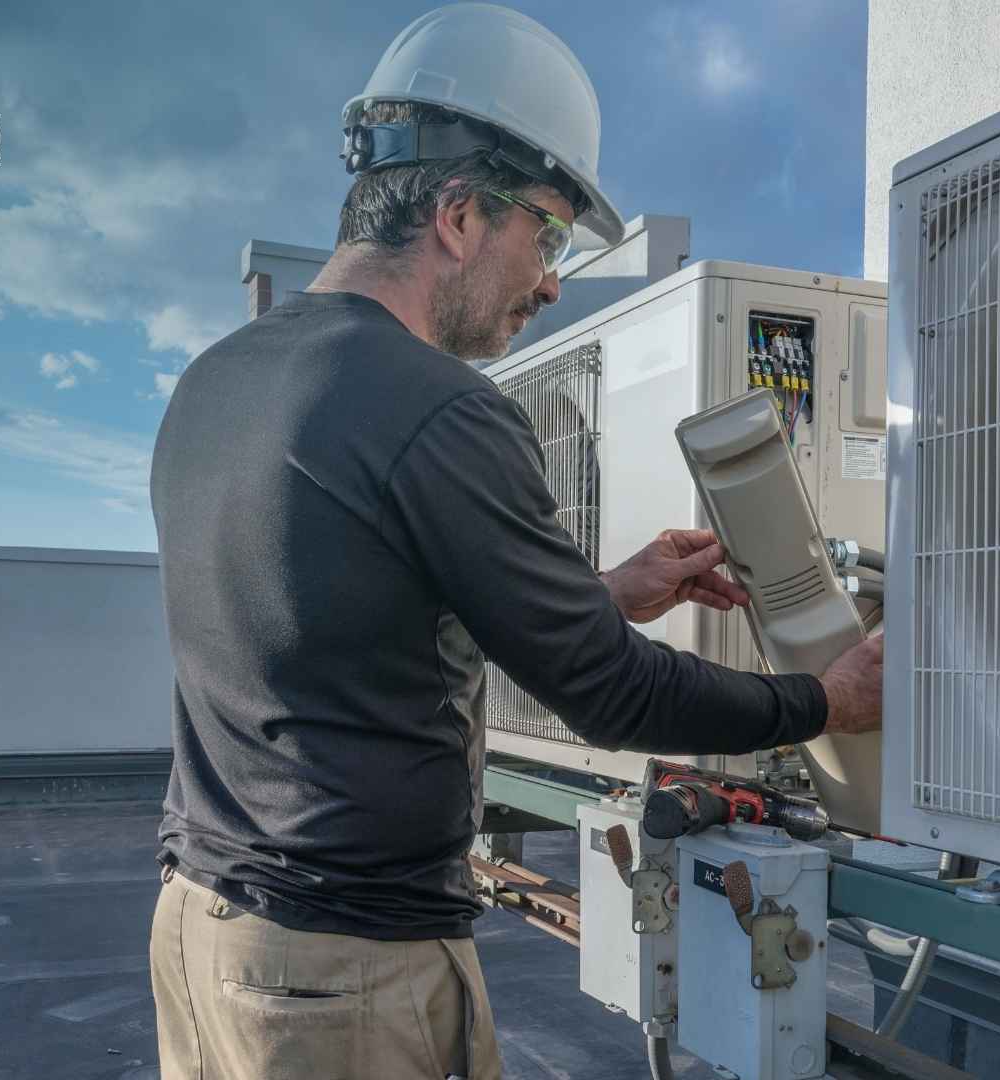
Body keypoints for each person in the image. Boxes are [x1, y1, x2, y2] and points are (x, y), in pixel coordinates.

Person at [145, 5, 884, 1078]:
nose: (550, 282)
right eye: (546, 235)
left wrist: (599, 593)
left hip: (201, 933)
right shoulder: (438, 406)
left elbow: (347, 618)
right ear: (458, 214)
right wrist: (824, 701)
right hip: (339, 976)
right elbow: (612, 696)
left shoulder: (215, 384)